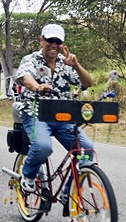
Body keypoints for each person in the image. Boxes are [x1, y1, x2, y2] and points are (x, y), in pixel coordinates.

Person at [15, 23, 94, 205]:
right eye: (50, 40)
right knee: (43, 146)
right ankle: (27, 176)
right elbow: (26, 78)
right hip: (35, 113)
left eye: (58, 41)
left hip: (62, 116)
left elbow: (88, 83)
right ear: (41, 40)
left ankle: (68, 192)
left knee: (86, 150)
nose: (54, 44)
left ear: (62, 44)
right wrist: (38, 87)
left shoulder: (66, 63)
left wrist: (76, 65)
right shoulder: (31, 59)